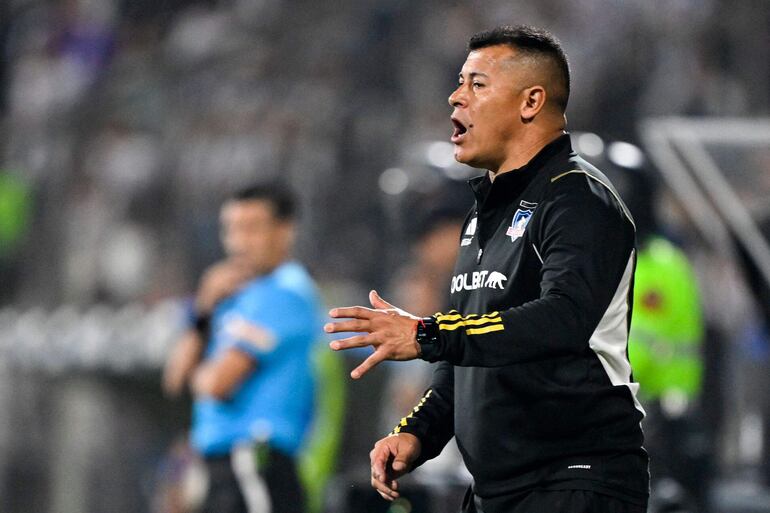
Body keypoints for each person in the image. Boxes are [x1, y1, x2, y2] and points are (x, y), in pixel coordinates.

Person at [324, 25, 649, 513]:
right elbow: (471, 350)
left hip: (574, 481)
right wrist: (418, 431)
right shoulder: (483, 214)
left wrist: (425, 334)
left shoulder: (578, 198)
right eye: (460, 82)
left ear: (531, 102)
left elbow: (561, 319)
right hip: (497, 489)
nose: (455, 97)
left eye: (476, 84)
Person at [162, 184, 323, 513]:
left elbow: (217, 384)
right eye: (231, 229)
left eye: (252, 229)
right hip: (225, 466)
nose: (238, 243)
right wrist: (202, 310)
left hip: (255, 463)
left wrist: (200, 372)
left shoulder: (286, 293)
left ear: (285, 231)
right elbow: (174, 380)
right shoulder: (230, 295)